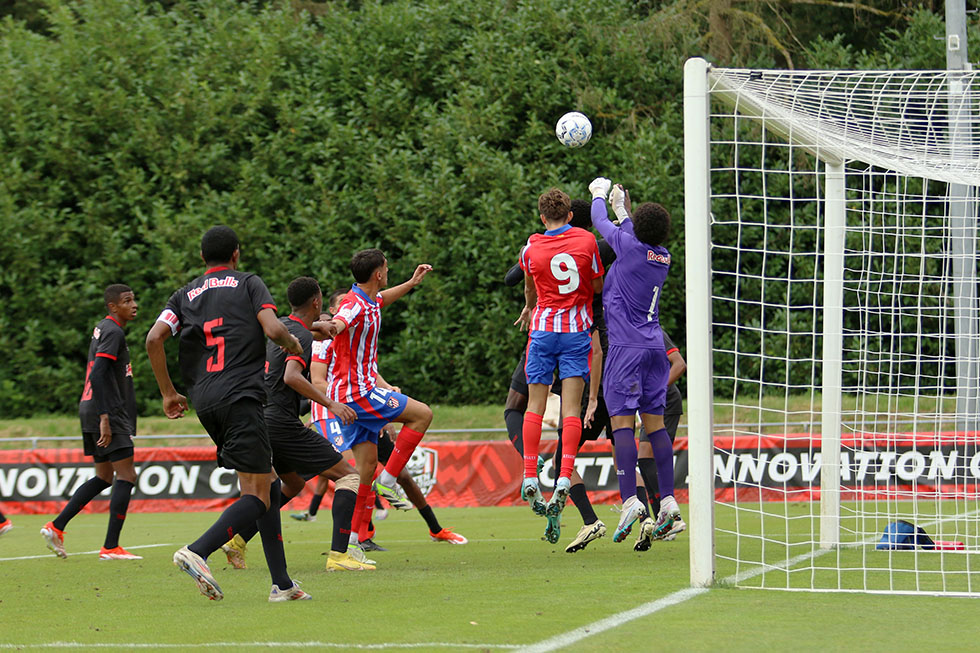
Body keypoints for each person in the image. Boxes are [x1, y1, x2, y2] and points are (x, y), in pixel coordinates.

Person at [145, 225, 310, 602]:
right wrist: (293, 343)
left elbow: (154, 338)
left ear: (203, 258)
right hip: (242, 395)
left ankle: (282, 584)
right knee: (260, 494)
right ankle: (197, 550)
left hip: (205, 400)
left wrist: (169, 394)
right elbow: (272, 328)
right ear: (236, 253)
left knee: (266, 482)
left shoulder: (183, 295)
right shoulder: (249, 283)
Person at [219, 277, 374, 572]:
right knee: (349, 477)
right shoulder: (301, 337)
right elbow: (291, 376)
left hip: (261, 417)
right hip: (280, 421)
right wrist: (331, 404)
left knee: (293, 483)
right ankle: (339, 556)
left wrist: (320, 328)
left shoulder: (280, 326)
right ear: (317, 302)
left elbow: (302, 332)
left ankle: (237, 541)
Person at [315, 249, 434, 557]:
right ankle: (390, 478)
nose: (388, 271)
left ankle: (352, 542)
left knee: (364, 470)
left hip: (352, 394)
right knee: (422, 415)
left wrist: (411, 282)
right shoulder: (353, 305)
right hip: (358, 394)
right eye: (387, 268)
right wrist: (324, 326)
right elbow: (341, 322)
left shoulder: (371, 299)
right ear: (378, 274)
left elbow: (382, 300)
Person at [589, 178, 680, 544]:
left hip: (625, 348)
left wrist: (598, 195)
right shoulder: (662, 256)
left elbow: (599, 222)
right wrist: (624, 209)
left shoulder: (626, 245)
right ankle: (669, 501)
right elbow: (629, 230)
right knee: (655, 426)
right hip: (655, 349)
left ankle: (629, 499)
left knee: (622, 422)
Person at [515, 188, 604, 528]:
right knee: (570, 409)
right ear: (569, 215)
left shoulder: (531, 247)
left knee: (534, 405)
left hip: (542, 330)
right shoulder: (585, 241)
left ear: (542, 217)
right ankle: (565, 475)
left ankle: (529, 475)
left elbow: (529, 287)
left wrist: (529, 305)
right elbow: (596, 286)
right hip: (575, 330)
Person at [41, 284, 142, 561]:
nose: (134, 305)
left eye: (133, 299)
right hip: (105, 412)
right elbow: (98, 374)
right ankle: (111, 547)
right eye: (127, 301)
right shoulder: (113, 331)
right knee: (127, 475)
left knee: (103, 476)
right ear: (112, 307)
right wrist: (106, 417)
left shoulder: (102, 328)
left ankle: (56, 526)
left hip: (90, 408)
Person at [634, 331, 687, 550]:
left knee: (646, 457)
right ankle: (664, 519)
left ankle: (670, 519)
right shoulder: (626, 332)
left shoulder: (651, 329)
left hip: (665, 402)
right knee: (645, 460)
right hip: (652, 405)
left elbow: (679, 365)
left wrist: (656, 390)